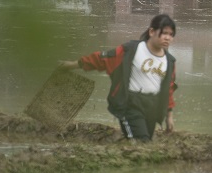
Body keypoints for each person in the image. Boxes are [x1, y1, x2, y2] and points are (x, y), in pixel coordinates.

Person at [59, 14, 178, 142]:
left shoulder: (169, 61)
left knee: (146, 139)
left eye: (171, 34)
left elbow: (168, 89)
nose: (168, 38)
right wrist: (72, 65)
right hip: (131, 103)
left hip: (152, 106)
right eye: (164, 33)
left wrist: (169, 116)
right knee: (141, 141)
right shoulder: (132, 50)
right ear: (152, 31)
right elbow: (102, 59)